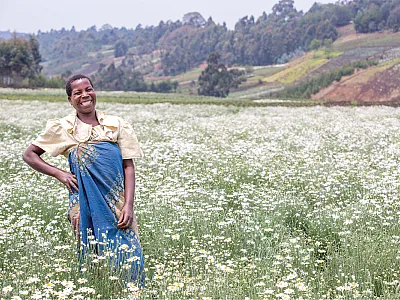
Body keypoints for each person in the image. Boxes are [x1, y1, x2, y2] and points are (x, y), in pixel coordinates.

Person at [23, 74, 145, 285]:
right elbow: (29, 154)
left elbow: (128, 166)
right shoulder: (63, 128)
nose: (84, 95)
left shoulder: (116, 125)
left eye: (88, 89)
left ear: (94, 91)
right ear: (70, 100)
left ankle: (131, 292)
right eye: (77, 93)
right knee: (92, 252)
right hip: (82, 203)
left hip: (117, 202)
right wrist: (59, 173)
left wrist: (129, 205)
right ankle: (98, 291)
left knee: (129, 253)